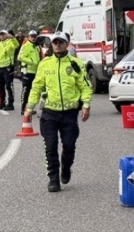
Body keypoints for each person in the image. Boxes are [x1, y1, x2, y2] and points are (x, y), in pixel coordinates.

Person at [25, 31, 91, 192]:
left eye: (61, 42)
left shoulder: (76, 64)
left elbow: (85, 86)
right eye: (55, 42)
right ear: (51, 45)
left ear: (67, 44)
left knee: (68, 145)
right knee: (51, 145)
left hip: (69, 113)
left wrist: (86, 105)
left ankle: (66, 167)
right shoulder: (45, 64)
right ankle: (53, 178)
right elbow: (36, 86)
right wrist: (29, 108)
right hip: (49, 112)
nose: (58, 44)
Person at [17, 30, 41, 113]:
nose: (33, 38)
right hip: (27, 71)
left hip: (35, 72)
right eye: (32, 36)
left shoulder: (37, 47)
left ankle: (29, 108)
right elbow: (20, 57)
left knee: (32, 91)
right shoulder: (25, 46)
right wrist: (31, 61)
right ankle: (23, 108)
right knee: (25, 90)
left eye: (35, 36)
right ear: (28, 37)